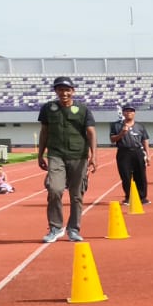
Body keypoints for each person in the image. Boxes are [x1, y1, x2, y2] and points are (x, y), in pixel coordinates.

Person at [37, 77, 97, 243]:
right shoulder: (48, 108)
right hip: (56, 154)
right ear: (56, 91)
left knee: (76, 195)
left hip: (78, 155)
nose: (64, 93)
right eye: (60, 89)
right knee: (54, 189)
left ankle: (73, 229)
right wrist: (40, 154)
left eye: (67, 90)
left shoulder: (83, 110)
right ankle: (55, 228)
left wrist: (94, 156)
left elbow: (91, 132)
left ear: (73, 91)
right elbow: (44, 132)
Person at [109, 103, 150, 206]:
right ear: (123, 113)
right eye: (126, 111)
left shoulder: (140, 126)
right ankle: (128, 197)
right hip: (124, 152)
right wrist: (122, 133)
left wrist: (148, 155)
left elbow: (145, 140)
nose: (129, 113)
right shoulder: (116, 125)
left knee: (141, 175)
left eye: (131, 111)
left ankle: (142, 197)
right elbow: (112, 139)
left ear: (134, 113)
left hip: (138, 152)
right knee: (126, 176)